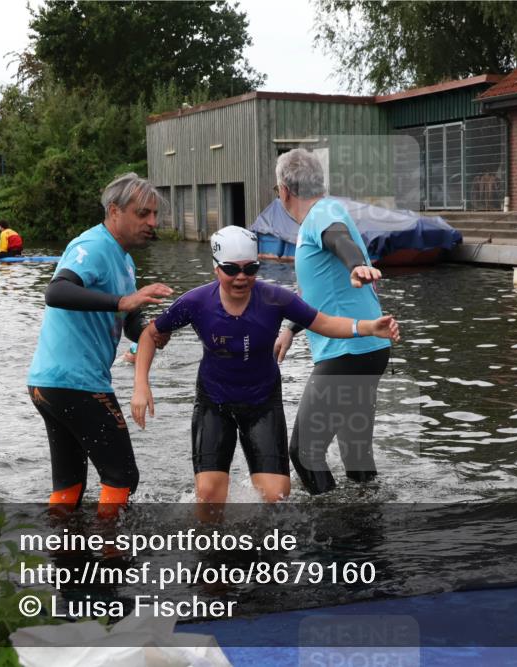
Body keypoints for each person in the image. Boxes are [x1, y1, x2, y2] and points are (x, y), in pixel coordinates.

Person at [131, 226, 399, 511]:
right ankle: (210, 552)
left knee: (276, 497)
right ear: (216, 269)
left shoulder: (274, 298)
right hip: (214, 402)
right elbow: (150, 334)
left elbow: (324, 322)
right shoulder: (196, 302)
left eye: (250, 269)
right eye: (231, 269)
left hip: (262, 404)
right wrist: (140, 385)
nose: (241, 277)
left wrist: (369, 327)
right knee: (209, 496)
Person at [27, 172, 172, 518]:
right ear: (114, 211)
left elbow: (129, 321)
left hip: (48, 384)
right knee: (122, 476)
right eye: (143, 214)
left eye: (155, 214)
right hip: (76, 383)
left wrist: (150, 331)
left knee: (69, 483)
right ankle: (113, 556)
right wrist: (122, 301)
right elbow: (56, 292)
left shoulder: (124, 259)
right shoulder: (92, 247)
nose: (152, 222)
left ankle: (66, 558)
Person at [272, 149, 392, 495]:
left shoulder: (322, 213)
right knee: (355, 455)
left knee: (304, 452)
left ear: (284, 191)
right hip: (368, 347)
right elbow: (319, 288)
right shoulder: (323, 213)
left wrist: (356, 264)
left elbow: (339, 238)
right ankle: (366, 531)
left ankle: (332, 522)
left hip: (347, 352)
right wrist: (291, 328)